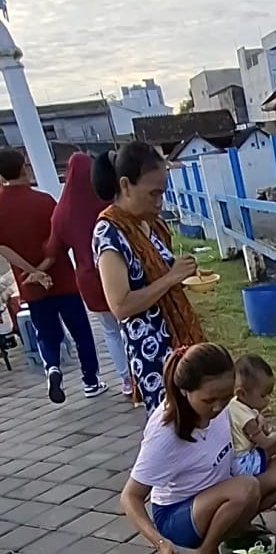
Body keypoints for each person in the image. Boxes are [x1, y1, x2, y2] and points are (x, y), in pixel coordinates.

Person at [120, 343, 276, 554]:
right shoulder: (164, 434)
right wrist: (160, 543)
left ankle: (236, 532)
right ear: (186, 392)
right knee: (245, 488)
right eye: (209, 400)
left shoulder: (224, 407)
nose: (219, 407)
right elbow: (130, 497)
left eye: (226, 397)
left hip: (223, 490)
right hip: (180, 516)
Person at [91, 141, 203, 414]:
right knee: (174, 429)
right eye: (152, 193)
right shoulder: (110, 233)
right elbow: (121, 306)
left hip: (181, 342)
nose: (159, 202)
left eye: (162, 193)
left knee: (201, 422)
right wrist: (170, 277)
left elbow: (160, 272)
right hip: (155, 355)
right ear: (126, 185)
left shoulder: (148, 225)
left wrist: (179, 270)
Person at [0, 149, 107, 403]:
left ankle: (52, 367)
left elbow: (3, 247)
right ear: (24, 167)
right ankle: (90, 381)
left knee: (45, 332)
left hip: (31, 285)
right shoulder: (45, 200)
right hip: (62, 278)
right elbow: (59, 240)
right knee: (81, 331)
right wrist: (44, 268)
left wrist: (32, 273)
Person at [48, 152, 132, 396]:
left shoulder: (61, 212)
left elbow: (54, 249)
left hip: (88, 280)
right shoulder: (107, 202)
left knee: (110, 331)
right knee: (129, 324)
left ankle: (125, 380)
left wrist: (37, 269)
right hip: (118, 271)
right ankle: (139, 372)